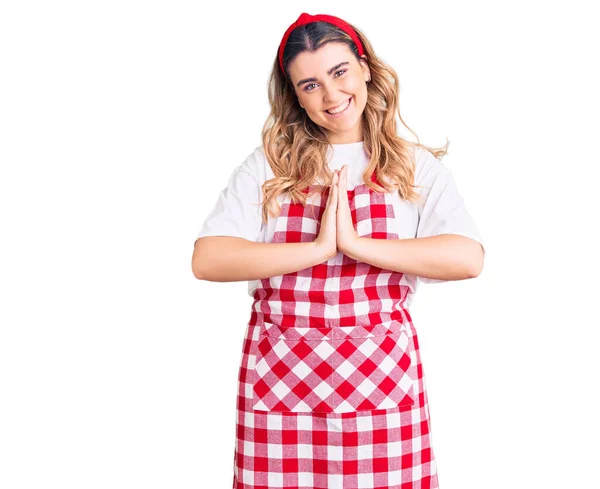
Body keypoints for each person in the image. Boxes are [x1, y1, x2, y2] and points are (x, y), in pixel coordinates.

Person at [191, 12, 485, 489]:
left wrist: (355, 245)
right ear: (294, 95)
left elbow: (466, 258)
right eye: (309, 85)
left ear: (365, 67)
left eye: (339, 72)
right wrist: (319, 248)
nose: (330, 95)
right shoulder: (270, 164)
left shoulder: (412, 166)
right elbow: (208, 258)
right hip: (283, 392)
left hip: (382, 390)